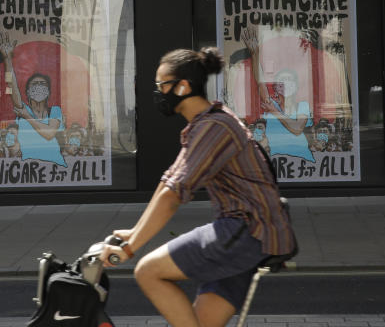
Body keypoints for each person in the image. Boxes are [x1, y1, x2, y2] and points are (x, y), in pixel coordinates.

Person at [100, 47, 296, 327]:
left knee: (147, 271)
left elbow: (172, 195)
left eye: (161, 84)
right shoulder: (208, 123)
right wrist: (133, 233)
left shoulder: (213, 128)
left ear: (182, 87)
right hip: (253, 233)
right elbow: (168, 182)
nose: (157, 92)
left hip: (246, 231)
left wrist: (131, 250)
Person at [240, 28, 314, 162]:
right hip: (276, 164)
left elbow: (297, 129)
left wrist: (274, 111)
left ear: (296, 86)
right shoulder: (271, 104)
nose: (286, 84)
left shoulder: (302, 106)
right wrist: (255, 54)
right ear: (275, 88)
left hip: (303, 162)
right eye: (282, 81)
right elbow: (261, 82)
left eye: (290, 80)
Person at [0, 32, 67, 167]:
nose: (38, 87)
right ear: (27, 92)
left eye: (42, 84)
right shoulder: (23, 109)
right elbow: (11, 84)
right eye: (35, 84)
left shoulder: (55, 111)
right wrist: (7, 60)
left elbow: (49, 134)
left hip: (55, 168)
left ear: (48, 92)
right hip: (29, 170)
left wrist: (27, 116)